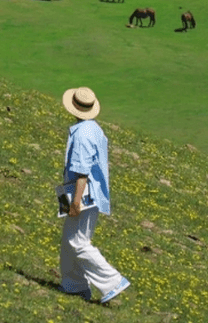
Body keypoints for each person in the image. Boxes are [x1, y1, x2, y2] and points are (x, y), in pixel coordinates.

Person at [58, 86, 130, 304]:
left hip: (82, 193)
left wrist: (76, 202)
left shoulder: (82, 134)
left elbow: (82, 170)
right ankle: (74, 285)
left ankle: (112, 281)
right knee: (70, 240)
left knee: (78, 242)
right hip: (90, 192)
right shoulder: (94, 129)